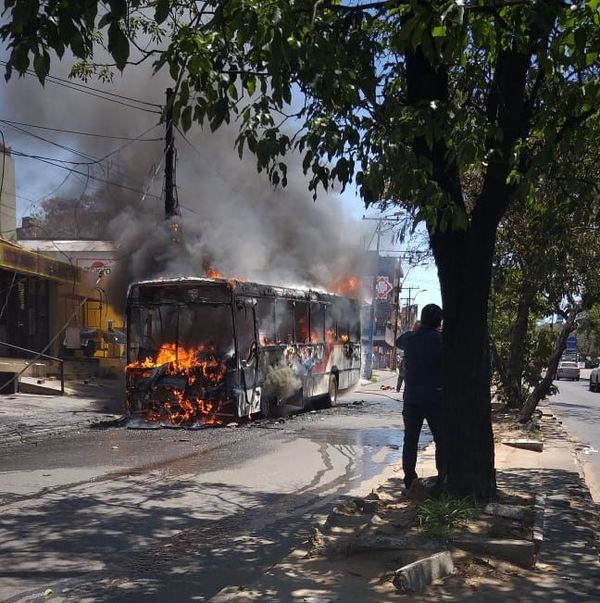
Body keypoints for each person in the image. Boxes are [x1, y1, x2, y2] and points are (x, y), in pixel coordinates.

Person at [396, 304, 446, 492]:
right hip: (435, 398)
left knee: (410, 439)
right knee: (441, 439)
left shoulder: (410, 339)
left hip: (412, 398)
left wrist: (414, 329)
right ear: (439, 322)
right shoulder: (442, 340)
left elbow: (397, 341)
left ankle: (409, 478)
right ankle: (442, 477)